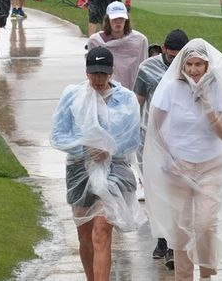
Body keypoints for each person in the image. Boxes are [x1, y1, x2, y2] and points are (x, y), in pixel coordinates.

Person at [143, 38, 222, 281]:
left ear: (207, 66)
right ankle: (184, 277)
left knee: (205, 222)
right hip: (179, 168)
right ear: (182, 66)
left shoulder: (217, 89)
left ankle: (206, 272)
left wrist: (206, 102)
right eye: (190, 64)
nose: (194, 70)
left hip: (211, 167)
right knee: (181, 230)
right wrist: (168, 157)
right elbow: (154, 127)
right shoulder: (172, 89)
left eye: (199, 64)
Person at [50, 46, 145, 281]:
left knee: (101, 232)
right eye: (94, 73)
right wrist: (85, 148)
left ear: (111, 72)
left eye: (103, 73)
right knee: (85, 235)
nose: (99, 79)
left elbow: (133, 138)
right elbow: (58, 135)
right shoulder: (72, 96)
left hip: (115, 170)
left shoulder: (126, 99)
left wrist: (108, 149)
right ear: (86, 72)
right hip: (79, 169)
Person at [132, 29, 189, 269]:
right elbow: (138, 102)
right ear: (164, 48)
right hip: (152, 140)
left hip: (182, 142)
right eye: (171, 55)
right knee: (156, 192)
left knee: (177, 193)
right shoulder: (147, 68)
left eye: (179, 56)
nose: (174, 60)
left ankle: (176, 244)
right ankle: (162, 238)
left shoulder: (193, 67)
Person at [87, 1, 147, 90]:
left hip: (130, 90)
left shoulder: (139, 40)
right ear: (108, 20)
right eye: (114, 19)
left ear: (126, 20)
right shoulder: (95, 41)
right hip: (104, 89)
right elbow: (91, 69)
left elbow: (143, 69)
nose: (118, 22)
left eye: (121, 18)